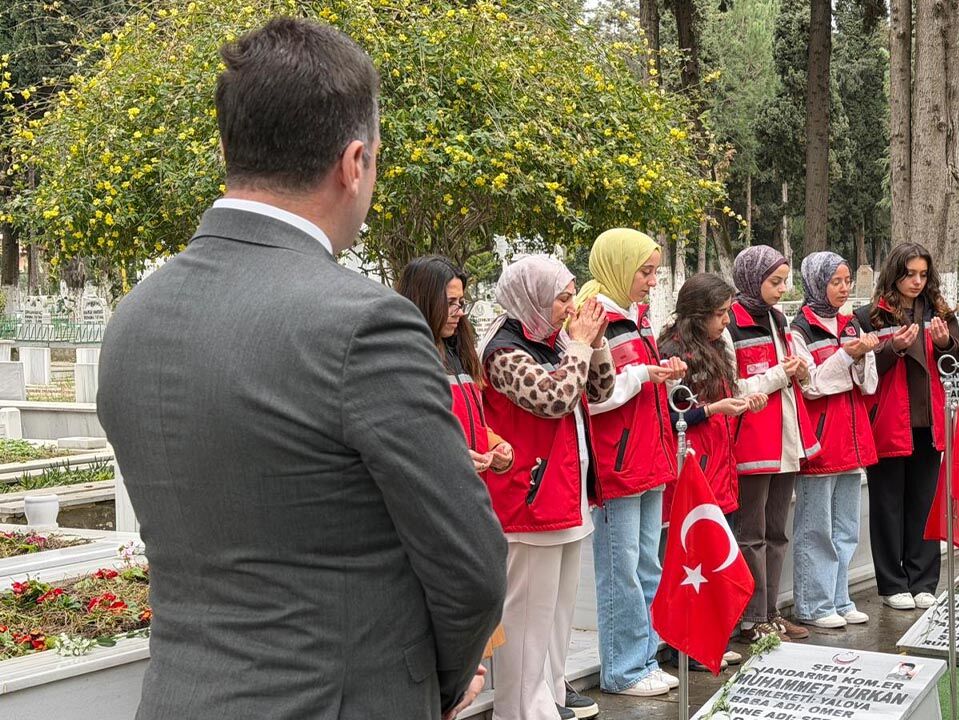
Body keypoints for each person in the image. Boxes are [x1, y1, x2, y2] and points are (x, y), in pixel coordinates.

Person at [95, 18, 506, 720]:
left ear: (226, 148)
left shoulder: (135, 317)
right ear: (354, 163)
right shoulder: (364, 325)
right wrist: (424, 688)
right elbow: (471, 567)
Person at [479, 255, 615, 720]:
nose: (570, 307)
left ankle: (552, 691)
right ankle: (520, 708)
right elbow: (554, 399)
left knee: (556, 613)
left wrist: (596, 343)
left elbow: (598, 391)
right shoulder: (502, 350)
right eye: (561, 298)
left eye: (571, 296)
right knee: (527, 616)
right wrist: (578, 345)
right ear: (532, 297)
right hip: (529, 498)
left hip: (565, 492)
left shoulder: (553, 339)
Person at [576, 229, 684, 698]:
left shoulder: (633, 318)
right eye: (645, 271)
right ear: (619, 267)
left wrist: (660, 375)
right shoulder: (594, 318)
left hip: (647, 458)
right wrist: (643, 374)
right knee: (621, 570)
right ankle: (623, 669)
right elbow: (594, 397)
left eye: (654, 272)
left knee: (645, 566)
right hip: (618, 465)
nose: (651, 281)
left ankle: (645, 657)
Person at [656, 272, 766, 670]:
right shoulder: (672, 351)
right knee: (693, 560)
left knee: (717, 555)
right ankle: (684, 646)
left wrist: (741, 403)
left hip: (720, 463)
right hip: (693, 468)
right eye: (720, 313)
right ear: (698, 312)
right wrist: (713, 410)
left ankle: (709, 639)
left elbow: (720, 401)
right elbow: (670, 415)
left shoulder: (715, 345)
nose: (726, 321)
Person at [855, 242, 959, 612]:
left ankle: (923, 581)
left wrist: (945, 343)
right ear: (894, 274)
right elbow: (861, 370)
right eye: (909, 274)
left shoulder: (939, 312)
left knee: (924, 504)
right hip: (888, 423)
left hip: (928, 422)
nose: (916, 282)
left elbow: (957, 363)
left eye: (922, 274)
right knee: (887, 505)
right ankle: (892, 583)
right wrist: (893, 349)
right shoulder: (870, 315)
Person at [727, 245, 820, 642]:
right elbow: (734, 387)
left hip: (785, 438)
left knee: (777, 532)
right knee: (751, 534)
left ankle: (770, 611)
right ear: (752, 279)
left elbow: (793, 375)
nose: (783, 289)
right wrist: (780, 375)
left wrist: (800, 370)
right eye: (775, 282)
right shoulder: (732, 323)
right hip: (752, 443)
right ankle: (751, 619)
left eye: (785, 281)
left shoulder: (778, 318)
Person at [789, 252, 880, 630]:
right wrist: (846, 356)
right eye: (835, 282)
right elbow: (811, 385)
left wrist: (858, 358)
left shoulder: (850, 324)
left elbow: (868, 384)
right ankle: (814, 603)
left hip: (852, 439)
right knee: (816, 528)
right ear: (816, 283)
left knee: (846, 529)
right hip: (821, 442)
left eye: (847, 281)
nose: (844, 289)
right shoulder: (800, 330)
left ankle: (840, 597)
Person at [396, 255, 514, 475]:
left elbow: (469, 422)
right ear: (424, 301)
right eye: (450, 303)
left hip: (469, 488)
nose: (459, 311)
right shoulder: (400, 361)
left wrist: (494, 445)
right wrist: (451, 459)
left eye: (460, 303)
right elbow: (401, 440)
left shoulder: (458, 352)